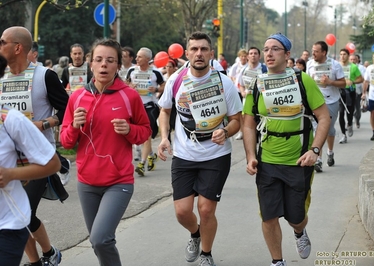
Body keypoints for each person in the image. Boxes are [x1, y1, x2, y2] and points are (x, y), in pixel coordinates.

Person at [60, 38, 151, 266]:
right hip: (87, 182)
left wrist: (129, 129)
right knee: (98, 241)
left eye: (110, 61)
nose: (103, 65)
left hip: (118, 181)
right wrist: (74, 126)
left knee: (101, 239)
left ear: (118, 65)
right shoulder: (77, 97)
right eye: (99, 60)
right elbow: (66, 140)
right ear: (90, 64)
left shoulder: (129, 96)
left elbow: (145, 131)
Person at [242, 33, 330, 266]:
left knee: (295, 218)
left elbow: (323, 117)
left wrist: (315, 150)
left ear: (287, 54)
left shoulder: (302, 81)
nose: (269, 53)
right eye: (266, 49)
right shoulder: (257, 84)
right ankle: (277, 261)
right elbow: (249, 123)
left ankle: (299, 232)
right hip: (267, 160)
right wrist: (250, 156)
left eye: (275, 49)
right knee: (269, 216)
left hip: (298, 160)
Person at [157, 31, 242, 266]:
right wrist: (164, 138)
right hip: (184, 155)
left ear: (211, 54)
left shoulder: (224, 82)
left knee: (206, 210)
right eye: (194, 49)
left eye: (204, 49)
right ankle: (195, 234)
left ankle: (206, 253)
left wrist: (225, 131)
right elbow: (164, 110)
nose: (199, 54)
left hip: (216, 155)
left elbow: (237, 119)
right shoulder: (176, 81)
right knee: (182, 212)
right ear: (187, 54)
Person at [0, 26, 70, 266]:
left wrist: (45, 123)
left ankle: (49, 253)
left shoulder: (44, 76)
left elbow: (66, 110)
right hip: (6, 158)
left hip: (37, 157)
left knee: (25, 211)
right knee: (15, 214)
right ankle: (37, 260)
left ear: (18, 47)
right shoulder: (1, 78)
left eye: (2, 43)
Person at [307, 41, 346, 172]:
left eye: (316, 51)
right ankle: (318, 159)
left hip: (331, 101)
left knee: (328, 129)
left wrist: (330, 82)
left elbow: (343, 83)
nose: (313, 53)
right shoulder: (310, 64)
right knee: (316, 129)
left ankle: (330, 152)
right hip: (315, 102)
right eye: (312, 50)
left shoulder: (335, 65)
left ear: (324, 52)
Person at [126, 47, 165, 176]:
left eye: (140, 57)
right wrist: (129, 88)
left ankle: (141, 164)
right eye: (137, 56)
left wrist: (157, 89)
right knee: (138, 137)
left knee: (146, 136)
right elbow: (125, 85)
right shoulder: (132, 71)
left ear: (148, 59)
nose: (136, 59)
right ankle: (151, 155)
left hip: (150, 106)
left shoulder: (156, 72)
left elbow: (164, 86)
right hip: (135, 107)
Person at [235, 46, 267, 140]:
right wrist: (242, 92)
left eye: (255, 53)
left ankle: (263, 136)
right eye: (251, 53)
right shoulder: (244, 70)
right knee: (247, 120)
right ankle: (247, 136)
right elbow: (240, 84)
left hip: (262, 100)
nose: (253, 55)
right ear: (248, 56)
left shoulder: (264, 69)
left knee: (261, 119)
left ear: (259, 56)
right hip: (248, 100)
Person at [337, 48, 363, 144]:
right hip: (340, 91)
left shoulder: (353, 67)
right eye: (341, 54)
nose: (342, 56)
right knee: (341, 112)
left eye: (344, 54)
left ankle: (350, 123)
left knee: (350, 112)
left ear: (348, 56)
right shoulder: (337, 66)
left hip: (350, 92)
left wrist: (353, 81)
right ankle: (343, 135)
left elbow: (361, 79)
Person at [362, 52, 374, 141]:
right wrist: (364, 93)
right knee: (373, 113)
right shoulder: (369, 68)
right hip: (372, 95)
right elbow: (366, 81)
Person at [350, 54, 366, 128]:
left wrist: (364, 92)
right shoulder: (348, 67)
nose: (353, 61)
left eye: (354, 59)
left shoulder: (362, 68)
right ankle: (349, 121)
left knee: (357, 106)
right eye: (351, 59)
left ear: (357, 60)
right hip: (349, 90)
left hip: (358, 90)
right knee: (350, 106)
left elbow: (364, 80)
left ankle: (357, 119)